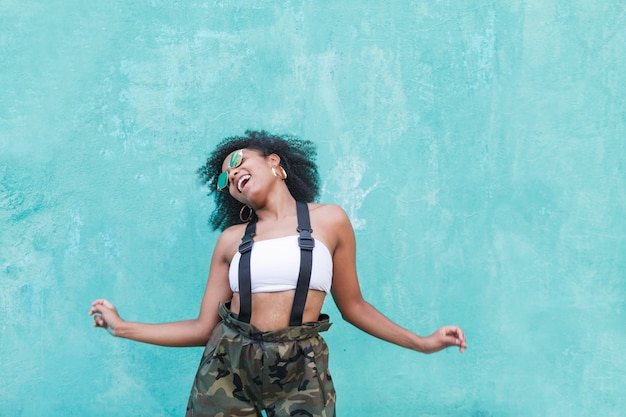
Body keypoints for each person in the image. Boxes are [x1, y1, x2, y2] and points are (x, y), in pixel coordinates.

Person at [89, 130, 467, 417]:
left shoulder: (330, 220)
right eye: (225, 179)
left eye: (238, 161)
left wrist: (421, 342)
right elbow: (203, 329)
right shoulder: (231, 240)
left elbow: (354, 306)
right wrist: (122, 327)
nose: (233, 174)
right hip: (227, 366)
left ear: (273, 161)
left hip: (302, 367)